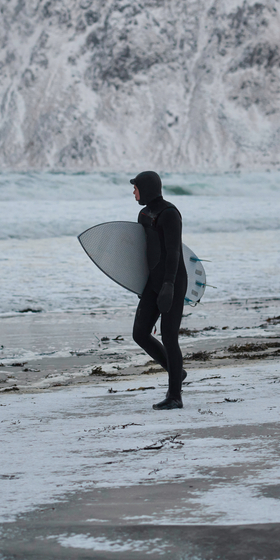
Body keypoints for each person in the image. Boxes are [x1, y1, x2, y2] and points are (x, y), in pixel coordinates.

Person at [130, 171, 187, 410]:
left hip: (172, 281)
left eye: (136, 188)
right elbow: (141, 252)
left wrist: (168, 285)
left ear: (147, 188)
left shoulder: (170, 214)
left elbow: (174, 252)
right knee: (140, 333)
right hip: (153, 281)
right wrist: (140, 283)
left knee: (169, 336)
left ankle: (175, 396)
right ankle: (177, 371)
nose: (133, 192)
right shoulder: (144, 214)